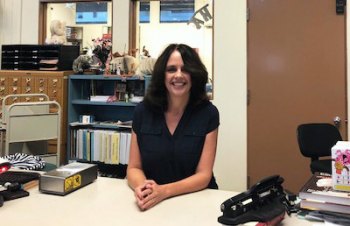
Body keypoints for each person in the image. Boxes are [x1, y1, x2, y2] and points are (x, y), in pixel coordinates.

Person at [126, 43, 220, 211]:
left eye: (185, 69)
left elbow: (204, 175)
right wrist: (144, 188)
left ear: (194, 75)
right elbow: (134, 168)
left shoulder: (208, 113)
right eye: (171, 69)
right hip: (152, 204)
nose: (178, 75)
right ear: (162, 75)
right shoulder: (143, 111)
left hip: (196, 201)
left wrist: (164, 191)